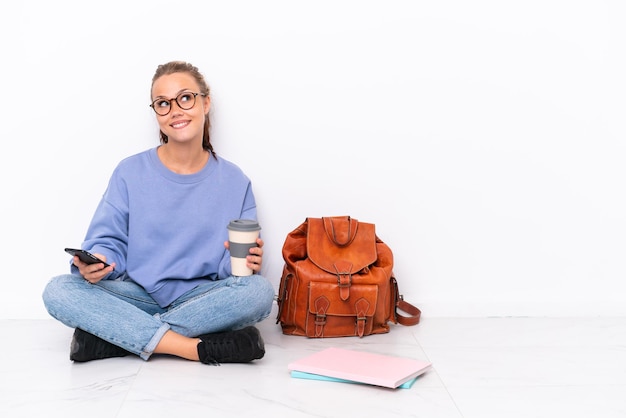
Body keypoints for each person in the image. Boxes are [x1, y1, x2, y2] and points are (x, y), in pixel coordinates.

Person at [42, 61, 275, 365]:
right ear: (156, 113)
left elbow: (232, 269)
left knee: (258, 291)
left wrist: (245, 262)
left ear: (205, 102)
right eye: (163, 103)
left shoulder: (235, 181)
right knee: (58, 290)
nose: (175, 110)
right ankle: (192, 347)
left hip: (200, 299)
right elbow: (107, 239)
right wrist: (97, 260)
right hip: (137, 296)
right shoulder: (129, 172)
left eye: (185, 98)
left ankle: (115, 339)